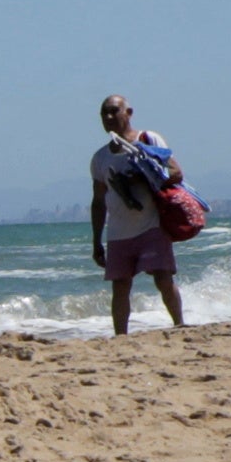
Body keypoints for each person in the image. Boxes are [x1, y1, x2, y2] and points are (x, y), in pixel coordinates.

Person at [89, 95, 190, 335]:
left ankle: (179, 325)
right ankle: (121, 336)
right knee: (120, 285)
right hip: (118, 231)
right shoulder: (100, 158)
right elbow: (98, 201)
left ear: (129, 112)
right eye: (104, 113)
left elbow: (176, 172)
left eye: (114, 111)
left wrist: (140, 176)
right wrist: (96, 242)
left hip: (151, 225)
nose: (109, 117)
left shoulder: (148, 139)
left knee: (163, 277)